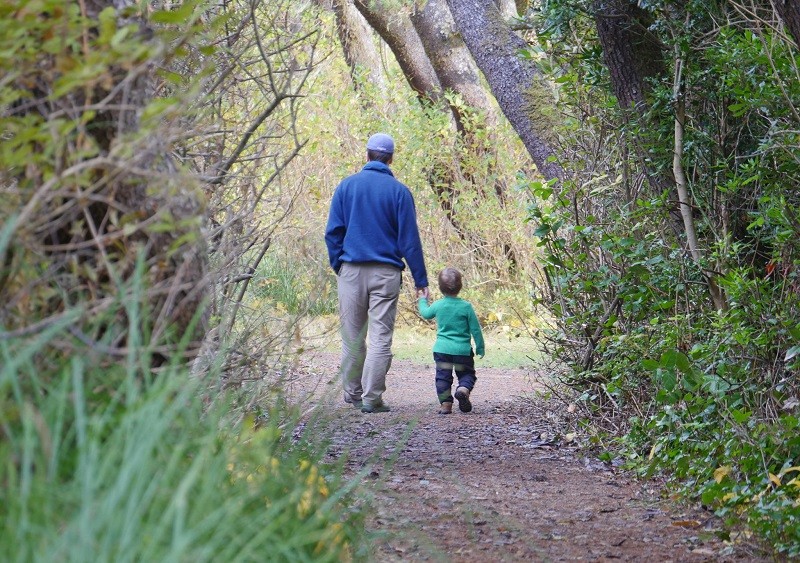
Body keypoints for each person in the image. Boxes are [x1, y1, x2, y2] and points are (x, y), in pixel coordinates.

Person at [325, 133, 429, 414]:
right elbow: (410, 241)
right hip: (386, 273)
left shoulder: (346, 187)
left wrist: (340, 265)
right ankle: (372, 399)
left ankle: (352, 394)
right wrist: (421, 281)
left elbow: (333, 233)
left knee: (352, 336)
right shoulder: (399, 192)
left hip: (351, 271)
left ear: (367, 155)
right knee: (381, 336)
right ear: (391, 158)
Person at [417, 267, 485, 414]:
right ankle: (463, 389)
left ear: (440, 288)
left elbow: (426, 313)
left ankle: (446, 405)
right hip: (462, 351)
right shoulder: (466, 307)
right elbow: (475, 329)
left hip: (442, 350)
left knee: (443, 377)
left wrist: (422, 300)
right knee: (467, 374)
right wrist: (480, 346)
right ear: (460, 287)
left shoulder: (438, 305)